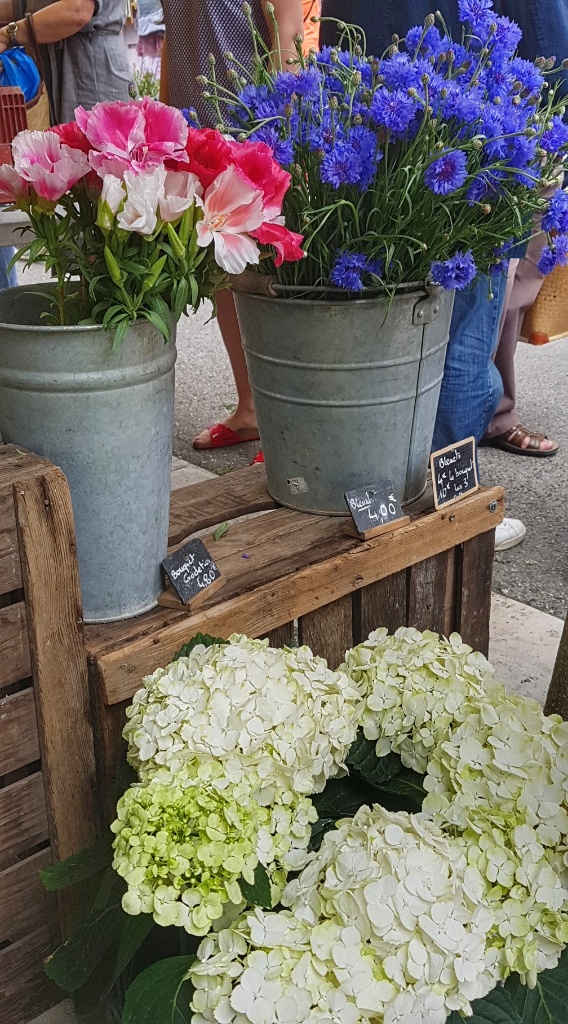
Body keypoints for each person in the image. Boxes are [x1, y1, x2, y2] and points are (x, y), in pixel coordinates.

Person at [319, 0, 568, 550]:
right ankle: (447, 510)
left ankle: (370, 496)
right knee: (464, 324)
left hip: (373, 68)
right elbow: (543, 28)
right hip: (461, 93)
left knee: (376, 303)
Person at [160, 0, 304, 452]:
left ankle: (287, 426)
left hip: (253, 118)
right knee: (224, 266)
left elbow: (287, 25)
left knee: (268, 274)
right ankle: (251, 409)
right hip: (197, 119)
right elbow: (173, 33)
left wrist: (279, 124)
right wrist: (167, 122)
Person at [0, 0, 131, 124]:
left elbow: (77, 11)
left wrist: (8, 35)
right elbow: (24, 5)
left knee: (94, 134)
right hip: (53, 75)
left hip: (92, 74)